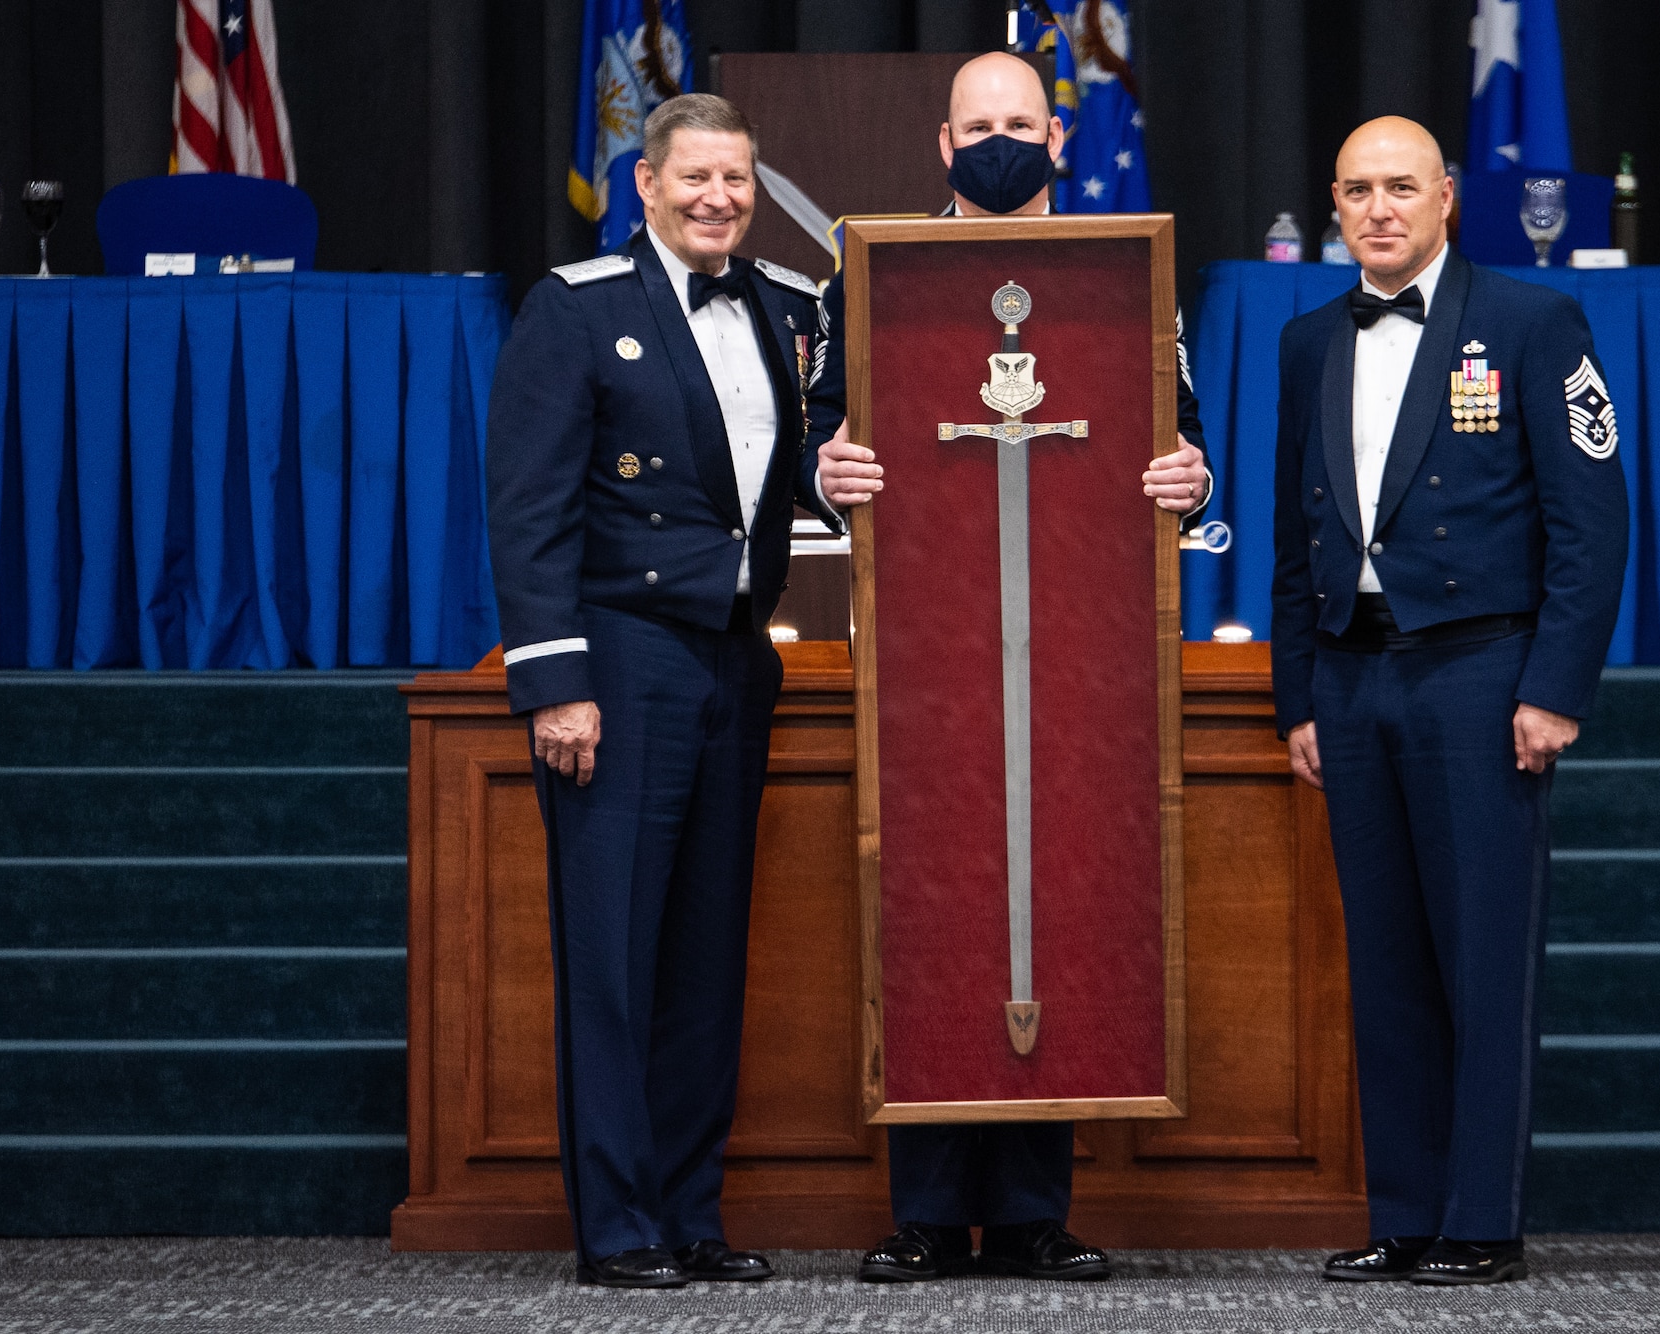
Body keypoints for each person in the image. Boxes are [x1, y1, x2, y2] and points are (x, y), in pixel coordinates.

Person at [806, 51, 1214, 1284]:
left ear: (1057, 133)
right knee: (935, 881)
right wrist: (831, 473)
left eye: (1018, 122)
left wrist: (1192, 477)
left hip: (1081, 644)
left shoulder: (1116, 272)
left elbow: (1180, 433)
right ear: (941, 143)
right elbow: (827, 429)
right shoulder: (868, 270)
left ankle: (1035, 1208)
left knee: (1057, 881)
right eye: (977, 124)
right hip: (924, 643)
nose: (997, 140)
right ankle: (928, 1208)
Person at [485, 93, 836, 1290]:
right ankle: (620, 1224)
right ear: (645, 182)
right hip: (619, 661)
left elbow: (824, 474)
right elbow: (527, 512)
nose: (716, 200)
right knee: (615, 954)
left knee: (702, 954)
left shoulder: (789, 311)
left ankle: (691, 1212)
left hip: (739, 658)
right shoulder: (574, 309)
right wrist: (554, 684)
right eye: (693, 178)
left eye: (735, 180)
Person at [1270, 117, 1628, 1286]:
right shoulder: (1305, 338)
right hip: (1352, 670)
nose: (1379, 209)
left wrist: (1553, 688)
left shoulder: (1531, 322)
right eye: (1358, 190)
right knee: (1382, 960)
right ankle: (1406, 1209)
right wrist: (1297, 696)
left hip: (1480, 673)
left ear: (1446, 197)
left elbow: (1590, 522)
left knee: (1480, 954)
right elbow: (1291, 537)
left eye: (1401, 188)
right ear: (1334, 202)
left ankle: (1479, 1217)